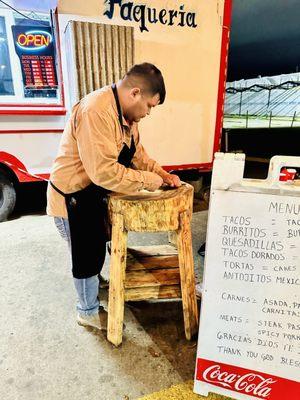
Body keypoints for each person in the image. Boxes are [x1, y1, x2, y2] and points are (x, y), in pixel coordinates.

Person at [47, 62, 181, 331]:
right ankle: (87, 310)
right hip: (72, 199)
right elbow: (103, 172)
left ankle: (96, 284)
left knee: (96, 246)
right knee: (85, 253)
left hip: (92, 196)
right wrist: (147, 182)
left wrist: (163, 175)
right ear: (135, 93)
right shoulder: (96, 110)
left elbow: (137, 154)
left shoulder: (128, 118)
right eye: (150, 106)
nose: (149, 113)